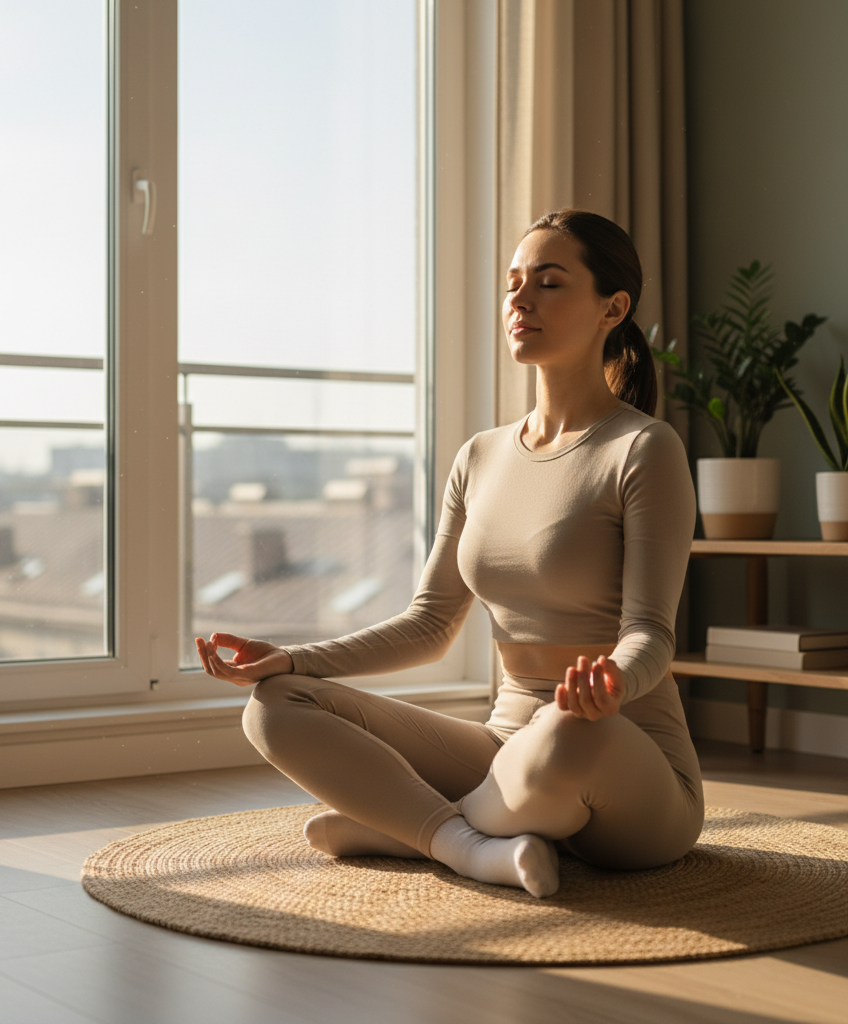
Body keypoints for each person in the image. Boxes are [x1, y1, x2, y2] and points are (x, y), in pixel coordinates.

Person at [196, 209, 702, 899]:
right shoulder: (480, 456)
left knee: (562, 731)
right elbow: (430, 623)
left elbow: (650, 633)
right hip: (503, 752)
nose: (521, 300)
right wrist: (293, 659)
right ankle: (461, 842)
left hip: (618, 758)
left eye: (549, 283)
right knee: (275, 704)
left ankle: (408, 827)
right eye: (513, 282)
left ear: (612, 308)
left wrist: (612, 681)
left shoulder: (643, 448)